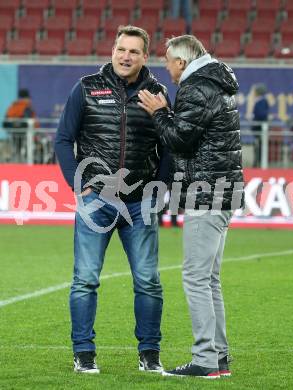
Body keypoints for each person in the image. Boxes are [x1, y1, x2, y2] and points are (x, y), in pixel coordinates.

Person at [54, 25, 168, 374]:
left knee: (148, 281)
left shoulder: (156, 92)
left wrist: (160, 188)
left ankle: (149, 354)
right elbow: (62, 140)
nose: (125, 56)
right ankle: (83, 354)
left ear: (144, 57)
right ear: (113, 50)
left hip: (139, 202)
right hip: (96, 201)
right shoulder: (86, 88)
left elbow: (170, 145)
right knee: (85, 280)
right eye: (121, 49)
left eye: (133, 51)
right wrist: (79, 183)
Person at [138, 35, 244, 378]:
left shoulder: (196, 88)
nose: (166, 67)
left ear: (181, 62)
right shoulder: (216, 82)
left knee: (196, 278)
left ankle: (205, 360)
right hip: (222, 190)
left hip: (207, 192)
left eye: (168, 60)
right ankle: (219, 356)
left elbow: (180, 138)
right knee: (209, 278)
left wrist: (160, 112)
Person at [3, 88, 38, 162]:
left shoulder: (12, 107)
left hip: (13, 134)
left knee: (16, 151)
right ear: (26, 98)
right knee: (25, 152)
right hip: (25, 135)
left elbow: (5, 122)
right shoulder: (26, 107)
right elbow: (30, 122)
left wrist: (13, 127)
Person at [251, 84, 269, 167]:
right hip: (258, 129)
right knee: (257, 147)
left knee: (259, 147)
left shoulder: (262, 101)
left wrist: (255, 118)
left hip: (260, 129)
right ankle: (257, 163)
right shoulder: (259, 101)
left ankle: (258, 164)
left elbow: (262, 114)